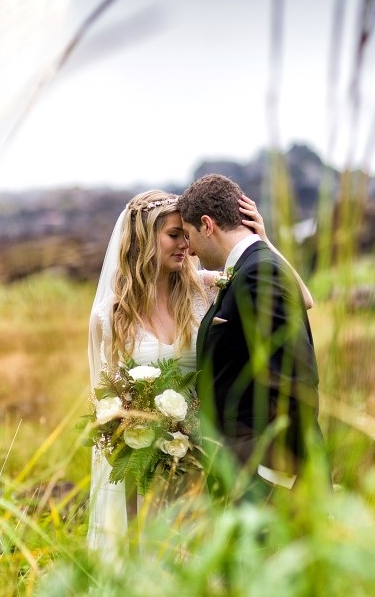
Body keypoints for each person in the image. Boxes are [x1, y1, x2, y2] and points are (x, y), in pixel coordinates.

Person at [86, 188, 309, 553]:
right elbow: (107, 401)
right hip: (144, 464)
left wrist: (263, 243)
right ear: (144, 238)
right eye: (174, 235)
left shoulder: (203, 288)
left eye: (186, 236)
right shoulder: (111, 316)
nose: (185, 246)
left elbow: (301, 300)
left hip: (206, 456)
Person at [177, 174, 324, 503]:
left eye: (188, 236)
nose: (188, 248)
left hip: (271, 477)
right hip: (244, 470)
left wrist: (278, 471)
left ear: (207, 225)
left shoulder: (258, 271)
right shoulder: (248, 267)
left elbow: (295, 378)